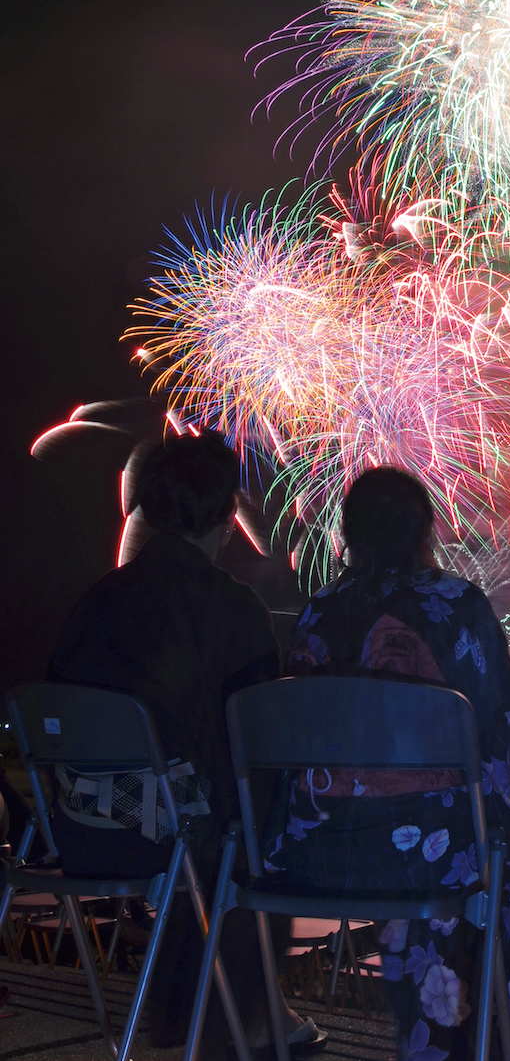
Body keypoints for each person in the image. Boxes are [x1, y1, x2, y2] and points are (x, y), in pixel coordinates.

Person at [268, 466, 510, 1060]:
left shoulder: (316, 613)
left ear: (348, 534)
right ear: (426, 531)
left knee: (482, 859)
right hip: (428, 857)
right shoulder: (458, 606)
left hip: (318, 852)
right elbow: (501, 736)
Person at [48, 432, 322, 1058]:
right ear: (229, 518)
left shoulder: (95, 602)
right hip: (164, 838)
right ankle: (246, 1016)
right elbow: (255, 743)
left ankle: (194, 1012)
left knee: (205, 809)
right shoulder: (233, 607)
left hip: (79, 831)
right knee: (259, 820)